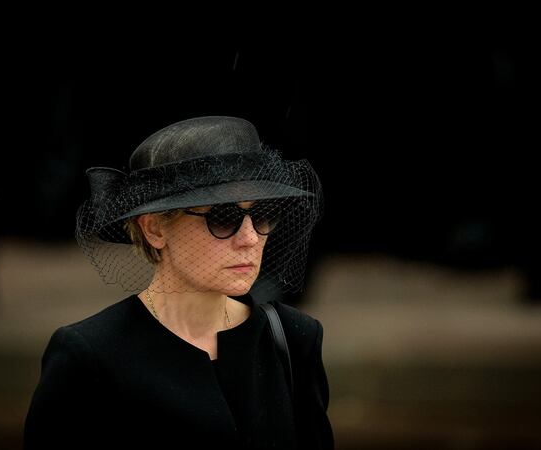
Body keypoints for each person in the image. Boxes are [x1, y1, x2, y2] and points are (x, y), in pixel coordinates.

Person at [24, 116, 333, 449]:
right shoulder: (89, 356)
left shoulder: (292, 338)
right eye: (223, 217)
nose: (250, 238)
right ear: (154, 229)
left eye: (261, 214)